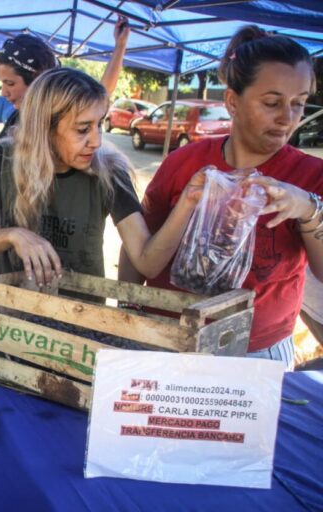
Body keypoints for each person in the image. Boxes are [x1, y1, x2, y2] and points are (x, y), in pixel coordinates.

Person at [129, 26, 323, 369]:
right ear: (232, 101)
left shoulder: (310, 177)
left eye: (300, 103)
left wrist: (306, 208)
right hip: (165, 335)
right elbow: (137, 245)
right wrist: (128, 309)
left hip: (255, 352)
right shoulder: (183, 162)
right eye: (272, 103)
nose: (288, 118)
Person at [0, 67, 205, 287]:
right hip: (12, 326)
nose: (96, 141)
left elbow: (146, 262)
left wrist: (187, 203)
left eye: (99, 124)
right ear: (46, 128)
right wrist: (13, 235)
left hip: (78, 327)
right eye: (83, 129)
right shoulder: (7, 160)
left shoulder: (109, 171)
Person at [0, 18, 130, 165]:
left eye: (10, 83)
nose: (3, 92)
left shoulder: (55, 122)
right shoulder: (17, 118)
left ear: (37, 81)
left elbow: (102, 94)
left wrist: (120, 47)